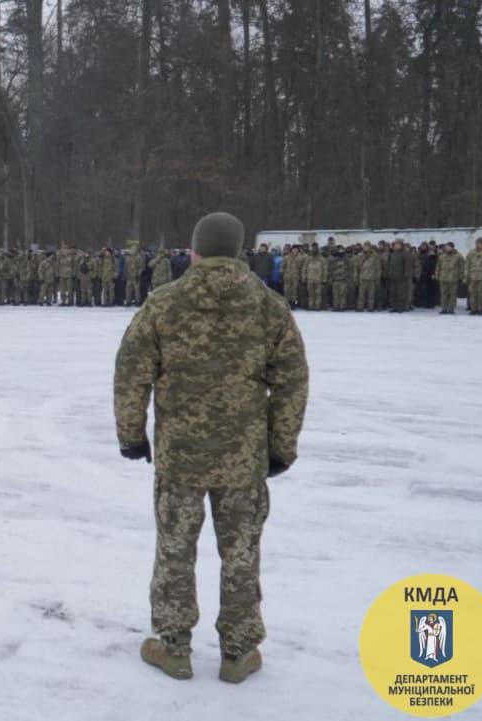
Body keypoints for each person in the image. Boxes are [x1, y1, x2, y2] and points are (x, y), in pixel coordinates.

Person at [115, 212, 308, 684]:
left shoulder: (164, 303)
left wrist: (132, 435)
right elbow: (291, 381)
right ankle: (239, 653)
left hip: (180, 456)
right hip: (243, 457)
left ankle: (173, 647)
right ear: (238, 251)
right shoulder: (268, 306)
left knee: (175, 549)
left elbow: (131, 373)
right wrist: (280, 447)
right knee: (241, 553)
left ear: (195, 250)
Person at [435, 244, 463, 315]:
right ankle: (444, 308)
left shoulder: (458, 256)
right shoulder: (442, 256)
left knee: (452, 294)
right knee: (443, 294)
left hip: (453, 278)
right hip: (443, 277)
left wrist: (461, 276)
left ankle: (451, 308)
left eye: (448, 247)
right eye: (446, 247)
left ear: (452, 248)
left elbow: (461, 267)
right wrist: (437, 275)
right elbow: (438, 267)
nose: (447, 248)